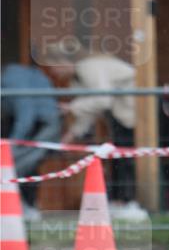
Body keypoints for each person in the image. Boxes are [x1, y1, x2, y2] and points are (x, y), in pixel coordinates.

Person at [43, 43, 147, 219]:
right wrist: (72, 133)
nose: (53, 72)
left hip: (138, 112)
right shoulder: (77, 79)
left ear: (63, 61)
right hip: (122, 115)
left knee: (125, 159)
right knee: (117, 158)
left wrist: (71, 107)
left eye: (53, 67)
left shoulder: (89, 67)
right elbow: (89, 109)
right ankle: (120, 202)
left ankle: (130, 202)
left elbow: (102, 100)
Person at [0, 62, 62, 220]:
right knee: (24, 166)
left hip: (41, 125)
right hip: (44, 123)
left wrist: (13, 144)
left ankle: (24, 207)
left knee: (17, 167)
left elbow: (26, 113)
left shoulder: (12, 78)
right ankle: (25, 206)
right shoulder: (22, 73)